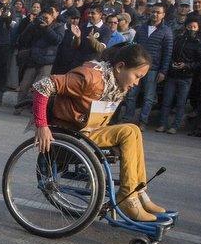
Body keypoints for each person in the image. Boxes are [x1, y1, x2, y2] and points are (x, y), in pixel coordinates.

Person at [31, 44, 168, 222]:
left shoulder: (114, 84)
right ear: (120, 67)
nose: (136, 83)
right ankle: (128, 198)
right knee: (127, 131)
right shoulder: (90, 77)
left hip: (88, 131)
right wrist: (42, 126)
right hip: (69, 134)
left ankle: (138, 192)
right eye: (137, 76)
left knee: (133, 130)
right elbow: (43, 85)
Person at [123, 4, 173, 128]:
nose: (155, 14)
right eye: (153, 12)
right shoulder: (142, 28)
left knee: (148, 97)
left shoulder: (166, 31)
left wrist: (163, 71)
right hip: (136, 67)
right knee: (131, 95)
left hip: (153, 69)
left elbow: (168, 53)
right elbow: (134, 46)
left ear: (163, 15)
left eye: (158, 12)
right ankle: (127, 119)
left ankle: (142, 122)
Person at [156, 16, 201, 133]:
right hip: (172, 75)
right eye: (189, 26)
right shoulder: (177, 39)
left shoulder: (199, 44)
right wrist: (172, 63)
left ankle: (175, 126)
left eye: (194, 27)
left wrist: (186, 65)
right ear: (185, 27)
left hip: (186, 77)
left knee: (181, 103)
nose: (191, 29)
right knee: (167, 101)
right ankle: (162, 124)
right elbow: (170, 53)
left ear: (198, 29)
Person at [14, 5, 65, 114]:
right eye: (43, 18)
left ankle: (36, 110)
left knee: (40, 88)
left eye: (47, 18)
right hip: (33, 59)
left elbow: (57, 40)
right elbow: (23, 39)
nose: (44, 20)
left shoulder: (58, 26)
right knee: (24, 85)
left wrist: (46, 28)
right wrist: (31, 26)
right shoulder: (35, 25)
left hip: (47, 61)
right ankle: (19, 107)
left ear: (53, 17)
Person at [52, 7, 83, 75]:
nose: (75, 21)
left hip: (70, 62)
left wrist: (78, 37)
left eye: (77, 18)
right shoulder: (60, 28)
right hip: (57, 60)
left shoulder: (80, 30)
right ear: (67, 18)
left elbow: (77, 45)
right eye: (73, 18)